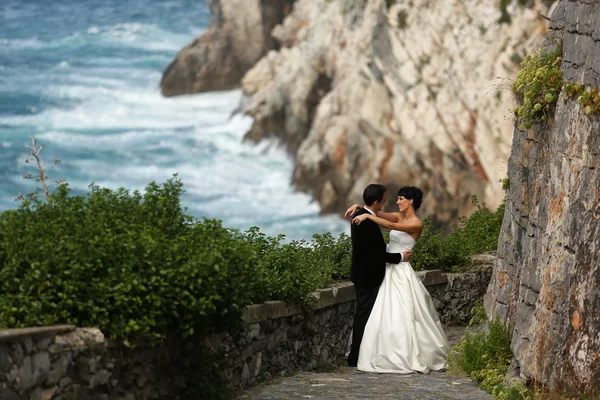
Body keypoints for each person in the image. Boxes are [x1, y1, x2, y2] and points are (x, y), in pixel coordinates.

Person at [345, 186, 450, 374]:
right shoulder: (397, 215)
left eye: (401, 199)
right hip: (386, 268)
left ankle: (404, 352)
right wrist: (360, 207)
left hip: (400, 270)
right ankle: (375, 350)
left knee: (404, 311)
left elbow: (391, 226)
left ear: (410, 201)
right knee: (381, 312)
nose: (397, 202)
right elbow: (377, 211)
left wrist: (368, 216)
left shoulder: (417, 223)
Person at [346, 184, 411, 368]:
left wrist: (359, 207)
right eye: (382, 200)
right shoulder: (365, 222)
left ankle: (363, 353)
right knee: (364, 315)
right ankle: (355, 356)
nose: (384, 203)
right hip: (368, 277)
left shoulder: (359, 217)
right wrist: (400, 257)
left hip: (362, 274)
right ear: (376, 202)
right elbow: (375, 254)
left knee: (367, 315)